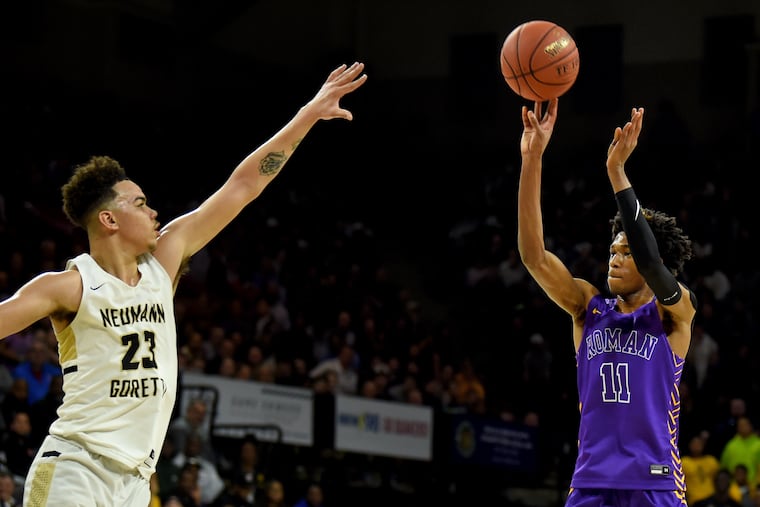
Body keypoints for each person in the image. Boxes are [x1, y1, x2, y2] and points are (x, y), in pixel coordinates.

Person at [0, 62, 367, 506]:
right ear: (110, 219)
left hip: (135, 481)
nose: (154, 211)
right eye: (141, 203)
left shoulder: (163, 264)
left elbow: (243, 186)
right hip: (77, 468)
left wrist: (308, 114)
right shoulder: (68, 287)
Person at [517, 99, 696, 507]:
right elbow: (534, 257)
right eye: (612, 251)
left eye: (626, 253)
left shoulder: (675, 314)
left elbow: (651, 261)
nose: (614, 259)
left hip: (655, 481)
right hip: (591, 481)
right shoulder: (588, 307)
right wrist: (532, 159)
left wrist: (616, 171)